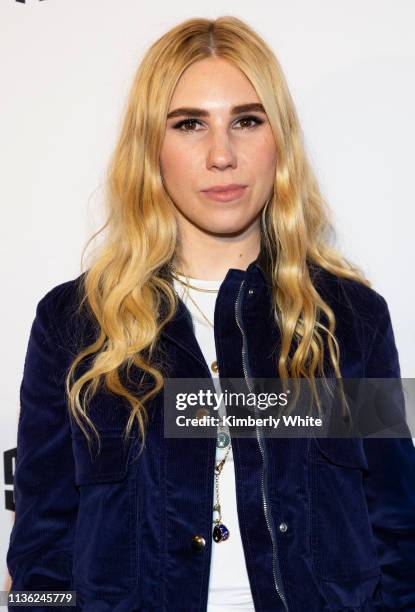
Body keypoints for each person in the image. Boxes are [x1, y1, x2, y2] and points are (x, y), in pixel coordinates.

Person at [6, 15, 415, 612]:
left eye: (247, 121)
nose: (221, 154)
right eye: (190, 124)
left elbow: (398, 535)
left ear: (280, 140)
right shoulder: (75, 324)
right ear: (152, 146)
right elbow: (43, 552)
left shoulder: (350, 318)